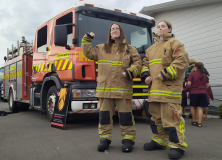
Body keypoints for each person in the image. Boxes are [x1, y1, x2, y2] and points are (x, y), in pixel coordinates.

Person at [81, 23, 142, 152]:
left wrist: (131, 71)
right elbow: (88, 54)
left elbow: (138, 64)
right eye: (112, 29)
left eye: (117, 28)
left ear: (121, 31)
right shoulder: (101, 48)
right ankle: (104, 139)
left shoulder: (130, 49)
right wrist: (87, 39)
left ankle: (128, 140)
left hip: (123, 90)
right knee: (104, 117)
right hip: (105, 90)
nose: (114, 30)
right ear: (109, 32)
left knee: (126, 117)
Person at [141, 20, 189, 159]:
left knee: (172, 119)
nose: (160, 28)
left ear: (169, 29)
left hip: (169, 90)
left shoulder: (176, 43)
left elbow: (182, 61)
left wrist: (165, 73)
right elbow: (145, 64)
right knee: (156, 119)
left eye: (163, 26)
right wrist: (146, 75)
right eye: (159, 26)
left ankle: (177, 146)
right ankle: (159, 141)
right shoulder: (151, 49)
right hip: (154, 91)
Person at [186, 62, 209, 127]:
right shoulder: (205, 75)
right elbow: (207, 85)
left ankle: (194, 121)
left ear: (196, 67)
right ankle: (199, 123)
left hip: (194, 92)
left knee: (193, 107)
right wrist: (203, 89)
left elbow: (188, 84)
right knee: (200, 108)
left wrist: (191, 88)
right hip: (203, 93)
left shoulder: (192, 74)